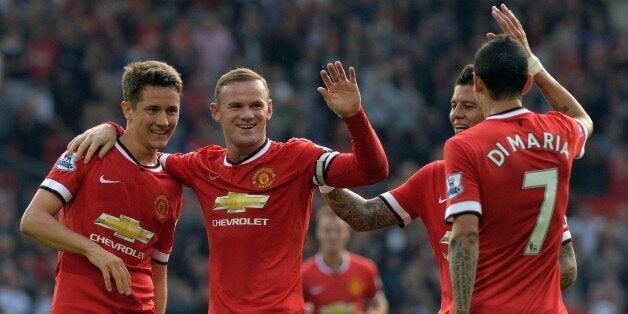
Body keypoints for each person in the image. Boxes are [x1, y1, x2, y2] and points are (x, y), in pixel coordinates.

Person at [319, 6, 583, 313]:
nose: (457, 114)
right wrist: (322, 171)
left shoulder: (468, 154)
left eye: (469, 105)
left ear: (488, 99)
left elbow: (468, 237)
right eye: (453, 104)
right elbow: (364, 215)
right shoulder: (441, 176)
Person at [66, 61, 389, 312]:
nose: (247, 115)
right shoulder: (200, 165)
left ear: (270, 110)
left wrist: (354, 117)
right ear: (216, 113)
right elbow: (147, 153)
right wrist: (114, 129)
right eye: (236, 106)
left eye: (255, 105)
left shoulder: (297, 158)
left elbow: (372, 169)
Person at [443, 4, 593, 313]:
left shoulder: (465, 146)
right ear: (526, 84)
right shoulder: (560, 131)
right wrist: (534, 66)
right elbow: (582, 117)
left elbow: (466, 236)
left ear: (479, 85)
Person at [20, 60, 185, 313]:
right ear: (127, 110)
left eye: (171, 110)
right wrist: (92, 250)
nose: (163, 121)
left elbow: (158, 268)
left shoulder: (172, 182)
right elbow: (32, 220)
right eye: (152, 109)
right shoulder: (87, 151)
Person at [302, 205, 389, 314]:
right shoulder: (304, 274)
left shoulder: (366, 268)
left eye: (338, 230)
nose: (333, 236)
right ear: (318, 232)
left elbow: (379, 302)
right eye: (327, 230)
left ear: (347, 233)